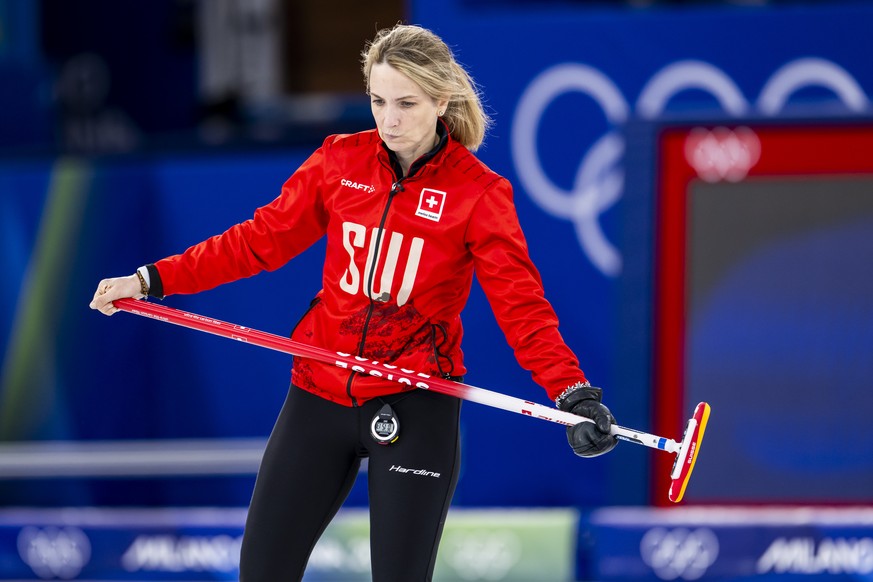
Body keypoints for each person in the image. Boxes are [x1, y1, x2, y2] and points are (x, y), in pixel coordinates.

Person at [89, 23, 617, 581]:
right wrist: (150, 280)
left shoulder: (478, 194)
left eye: (407, 103)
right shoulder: (341, 161)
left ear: (442, 100)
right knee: (262, 571)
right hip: (320, 391)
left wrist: (572, 393)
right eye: (378, 101)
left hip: (416, 401)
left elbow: (522, 307)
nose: (389, 120)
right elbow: (257, 241)